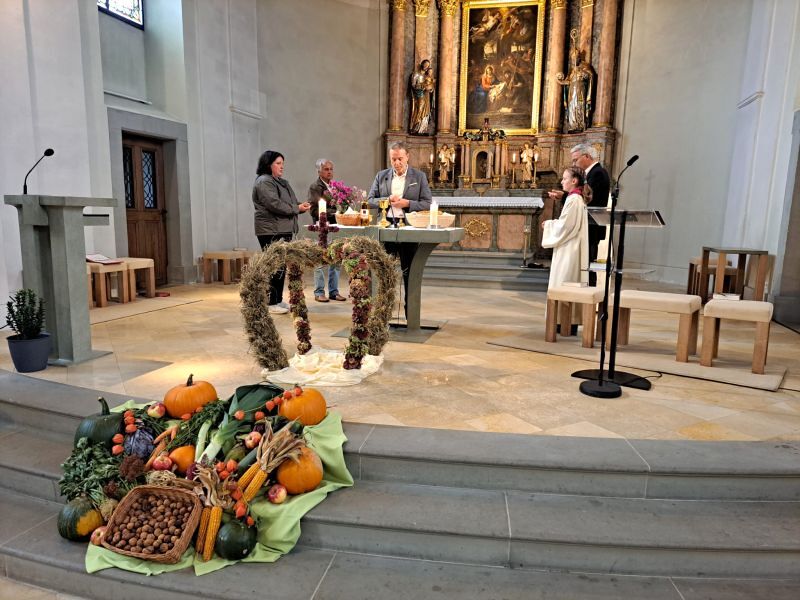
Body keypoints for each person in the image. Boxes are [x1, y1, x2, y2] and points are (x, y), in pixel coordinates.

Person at [367, 142, 432, 315]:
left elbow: (427, 203)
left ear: (407, 157)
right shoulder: (381, 176)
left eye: (400, 159)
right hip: (386, 228)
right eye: (393, 159)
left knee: (409, 273)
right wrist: (387, 200)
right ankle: (382, 313)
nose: (396, 163)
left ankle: (410, 314)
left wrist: (407, 203)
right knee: (384, 272)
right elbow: (370, 200)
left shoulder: (419, 177)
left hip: (409, 229)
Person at [252, 150, 311, 314]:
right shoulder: (264, 181)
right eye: (278, 163)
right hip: (270, 229)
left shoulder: (279, 182)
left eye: (282, 163)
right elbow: (274, 204)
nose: (282, 166)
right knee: (274, 267)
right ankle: (271, 302)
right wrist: (296, 208)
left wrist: (300, 206)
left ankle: (277, 299)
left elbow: (288, 203)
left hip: (282, 228)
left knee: (281, 266)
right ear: (268, 164)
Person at [547, 143, 610, 286]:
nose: (574, 163)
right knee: (584, 263)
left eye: (575, 160)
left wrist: (565, 196)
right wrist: (565, 195)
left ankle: (589, 294)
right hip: (586, 225)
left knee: (587, 265)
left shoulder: (598, 173)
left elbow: (588, 199)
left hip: (591, 226)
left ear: (587, 156)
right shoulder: (593, 173)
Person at [541, 166, 589, 331]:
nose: (562, 182)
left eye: (565, 178)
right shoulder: (576, 198)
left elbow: (566, 226)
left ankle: (562, 323)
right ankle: (568, 323)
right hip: (572, 246)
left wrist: (548, 224)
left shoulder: (574, 199)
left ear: (574, 181)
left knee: (563, 281)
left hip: (569, 248)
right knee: (569, 280)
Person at [307, 159, 346, 303]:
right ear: (319, 171)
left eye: (331, 169)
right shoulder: (315, 187)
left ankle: (334, 292)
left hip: (335, 227)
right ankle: (319, 292)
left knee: (336, 259)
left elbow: (341, 203)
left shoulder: (335, 187)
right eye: (326, 169)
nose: (329, 172)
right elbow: (314, 210)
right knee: (320, 260)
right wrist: (335, 212)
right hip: (322, 227)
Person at [557, 45, 594, 133]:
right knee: (572, 106)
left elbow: (590, 75)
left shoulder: (584, 66)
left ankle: (580, 124)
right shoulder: (571, 70)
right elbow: (567, 82)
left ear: (579, 58)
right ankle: (572, 125)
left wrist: (583, 73)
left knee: (579, 105)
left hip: (580, 89)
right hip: (571, 91)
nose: (574, 60)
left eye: (576, 58)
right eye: (573, 58)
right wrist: (560, 81)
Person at [409, 60, 435, 135]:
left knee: (426, 111)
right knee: (419, 110)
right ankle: (415, 127)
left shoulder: (427, 76)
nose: (426, 66)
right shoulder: (416, 74)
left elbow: (431, 86)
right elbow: (413, 85)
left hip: (426, 95)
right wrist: (423, 87)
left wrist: (430, 89)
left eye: (428, 65)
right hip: (419, 94)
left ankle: (422, 129)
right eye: (425, 64)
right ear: (422, 64)